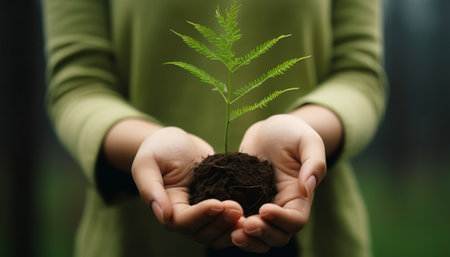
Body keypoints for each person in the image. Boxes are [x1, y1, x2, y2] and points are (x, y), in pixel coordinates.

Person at [43, 0, 387, 256]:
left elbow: (358, 74)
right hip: (141, 235)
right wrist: (149, 143)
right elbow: (80, 85)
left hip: (311, 225)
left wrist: (302, 129)